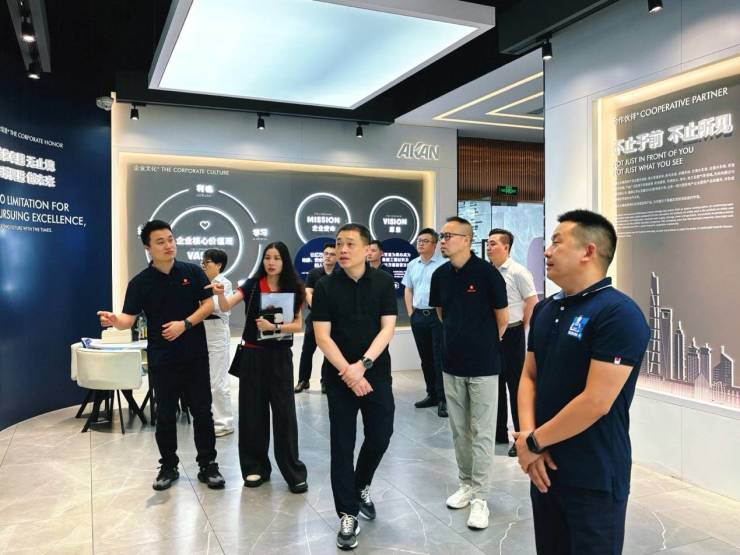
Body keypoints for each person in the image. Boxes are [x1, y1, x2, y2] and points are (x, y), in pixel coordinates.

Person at [514, 210, 650, 555]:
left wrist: (534, 441)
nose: (547, 251)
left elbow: (596, 401)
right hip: (544, 468)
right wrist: (530, 441)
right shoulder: (546, 309)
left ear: (588, 251)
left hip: (594, 475)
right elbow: (529, 375)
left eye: (557, 242)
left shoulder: (618, 314)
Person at [97, 219, 225, 491]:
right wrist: (115, 320)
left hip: (194, 355)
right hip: (162, 358)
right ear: (148, 248)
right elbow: (128, 319)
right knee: (165, 414)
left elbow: (207, 305)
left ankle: (208, 465)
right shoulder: (140, 283)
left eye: (170, 239)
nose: (168, 245)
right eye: (160, 242)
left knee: (202, 411)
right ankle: (168, 466)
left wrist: (185, 324)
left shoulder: (192, 272)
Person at [312, 223, 397, 551]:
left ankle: (361, 484)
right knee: (342, 445)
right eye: (338, 244)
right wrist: (349, 372)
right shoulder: (325, 286)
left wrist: (363, 366)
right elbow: (322, 336)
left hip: (375, 373)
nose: (343, 250)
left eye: (349, 244)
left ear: (366, 248)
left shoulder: (383, 281)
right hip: (339, 377)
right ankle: (347, 513)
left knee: (381, 435)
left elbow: (387, 328)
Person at [429, 216, 508, 530]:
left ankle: (480, 497)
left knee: (483, 432)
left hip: (484, 366)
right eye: (441, 236)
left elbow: (502, 318)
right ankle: (465, 484)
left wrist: (482, 343)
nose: (443, 241)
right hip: (452, 364)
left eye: (448, 236)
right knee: (459, 430)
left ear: (466, 239)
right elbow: (441, 314)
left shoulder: (487, 274)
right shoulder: (440, 275)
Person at [210, 241, 308, 493]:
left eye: (276, 258)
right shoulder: (252, 285)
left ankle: (292, 470)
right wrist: (219, 293)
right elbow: (225, 305)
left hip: (280, 357)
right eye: (267, 257)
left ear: (284, 261)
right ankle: (254, 467)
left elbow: (298, 325)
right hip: (253, 356)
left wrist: (275, 327)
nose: (271, 262)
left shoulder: (294, 288)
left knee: (285, 414)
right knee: (252, 412)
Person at [486, 229, 538, 456]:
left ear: (506, 247)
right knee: (494, 384)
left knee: (516, 386)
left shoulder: (518, 272)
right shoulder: (488, 271)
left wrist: (522, 328)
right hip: (492, 334)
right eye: (488, 243)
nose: (489, 247)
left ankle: (520, 437)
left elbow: (532, 301)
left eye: (493, 244)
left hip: (513, 333)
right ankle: (498, 433)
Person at [401, 228, 447, 417]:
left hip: (437, 316)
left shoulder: (444, 265)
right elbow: (408, 289)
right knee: (425, 358)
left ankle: (443, 398)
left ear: (434, 245)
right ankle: (432, 394)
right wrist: (411, 313)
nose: (420, 243)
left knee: (439, 358)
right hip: (419, 316)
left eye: (425, 241)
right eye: (419, 240)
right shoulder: (412, 264)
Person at [201, 249, 235, 437]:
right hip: (202, 331)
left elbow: (215, 307)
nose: (203, 265)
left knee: (218, 381)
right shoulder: (201, 282)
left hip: (217, 330)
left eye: (207, 262)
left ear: (219, 265)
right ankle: (210, 419)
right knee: (205, 380)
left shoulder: (224, 283)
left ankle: (224, 423)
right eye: (203, 262)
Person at [294, 242, 337, 394]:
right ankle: (303, 381)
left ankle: (325, 381)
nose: (328, 256)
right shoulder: (314, 273)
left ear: (337, 257)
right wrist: (320, 308)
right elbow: (308, 293)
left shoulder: (340, 275)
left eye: (332, 254)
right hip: (315, 318)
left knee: (329, 351)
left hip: (334, 319)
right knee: (307, 350)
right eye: (326, 254)